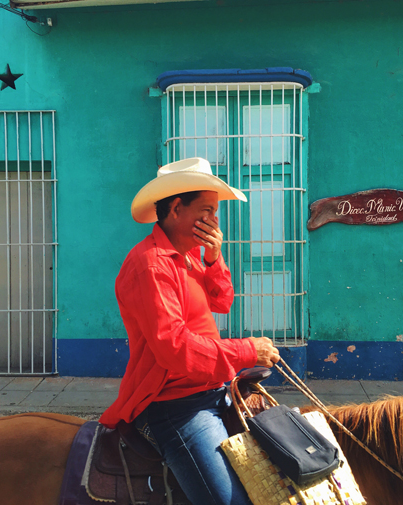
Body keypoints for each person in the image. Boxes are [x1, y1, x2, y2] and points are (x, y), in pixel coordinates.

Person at [99, 157, 280, 505]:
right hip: (177, 405)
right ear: (177, 208)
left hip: (213, 389)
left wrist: (214, 258)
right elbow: (174, 347)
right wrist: (247, 351)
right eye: (208, 210)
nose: (214, 220)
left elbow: (222, 301)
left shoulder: (190, 256)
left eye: (215, 211)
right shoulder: (151, 264)